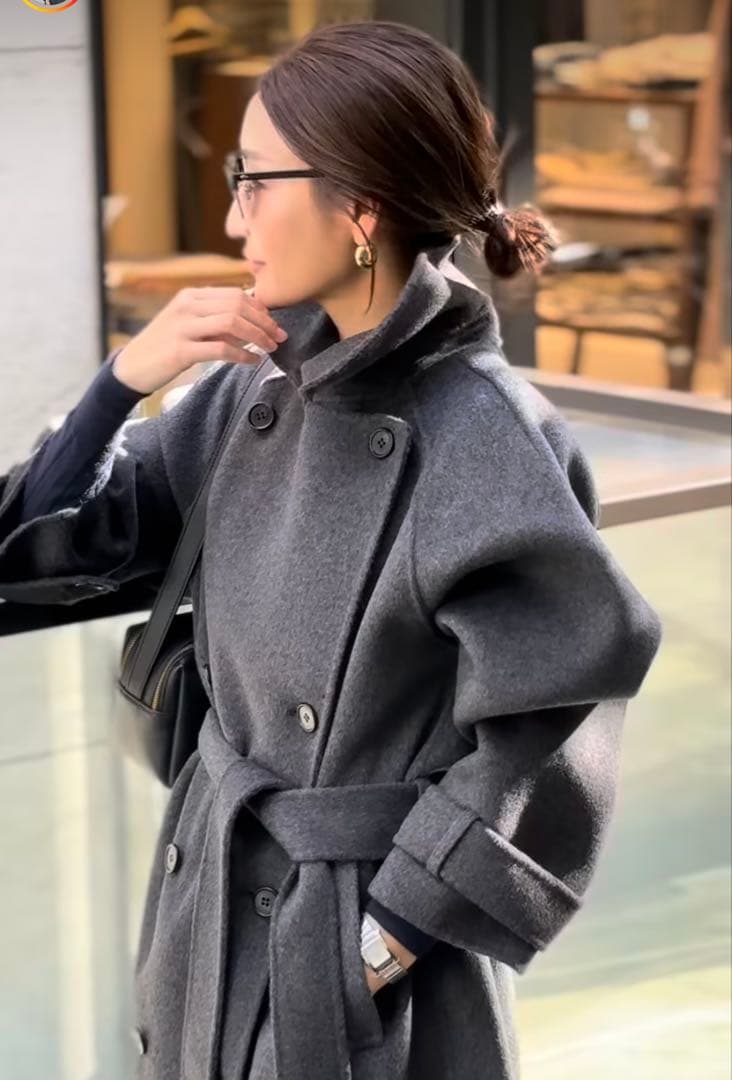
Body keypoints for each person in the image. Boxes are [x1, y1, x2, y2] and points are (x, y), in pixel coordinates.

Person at [0, 20, 662, 1080]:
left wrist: (384, 939)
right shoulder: (251, 393)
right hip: (211, 912)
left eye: (254, 181)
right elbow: (40, 546)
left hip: (359, 970)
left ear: (360, 209)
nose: (232, 217)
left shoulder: (485, 434)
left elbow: (557, 715)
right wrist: (122, 381)